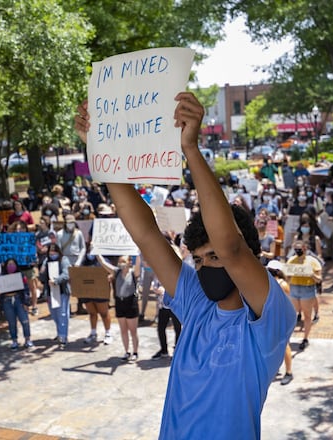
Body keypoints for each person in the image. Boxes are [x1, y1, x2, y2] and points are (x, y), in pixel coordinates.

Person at [75, 92, 295, 438]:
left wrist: (190, 149)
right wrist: (100, 154)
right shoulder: (196, 303)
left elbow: (233, 248)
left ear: (248, 259)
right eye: (200, 258)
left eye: (215, 256)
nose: (206, 266)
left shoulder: (269, 318)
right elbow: (147, 235)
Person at [97, 254, 141, 361]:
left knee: (133, 331)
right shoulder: (116, 272)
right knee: (123, 330)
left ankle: (135, 352)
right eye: (120, 261)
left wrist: (139, 253)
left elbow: (138, 265)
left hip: (131, 303)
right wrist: (97, 252)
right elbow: (103, 263)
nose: (121, 264)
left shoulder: (133, 273)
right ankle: (126, 352)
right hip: (119, 303)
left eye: (124, 261)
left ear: (129, 262)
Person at [287, 240, 322, 350]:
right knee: (292, 314)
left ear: (305, 249)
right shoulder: (291, 260)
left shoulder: (313, 261)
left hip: (307, 289)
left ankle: (305, 338)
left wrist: (312, 274)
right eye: (295, 249)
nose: (297, 251)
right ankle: (288, 337)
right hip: (294, 288)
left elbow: (319, 279)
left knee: (307, 315)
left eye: (299, 249)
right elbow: (287, 277)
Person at [38, 243, 71, 348]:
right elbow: (42, 276)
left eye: (54, 253)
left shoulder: (64, 260)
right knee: (54, 314)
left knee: (62, 314)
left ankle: (63, 336)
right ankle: (59, 332)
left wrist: (56, 280)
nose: (52, 255)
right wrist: (41, 272)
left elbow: (66, 274)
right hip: (50, 292)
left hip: (61, 291)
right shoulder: (46, 261)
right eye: (51, 253)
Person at [267, 260, 294, 385]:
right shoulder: (271, 282)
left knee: (284, 346)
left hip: (280, 319)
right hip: (271, 318)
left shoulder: (282, 284)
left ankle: (289, 372)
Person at [0, 258, 33, 350]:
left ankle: (27, 339)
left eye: (12, 264)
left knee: (24, 320)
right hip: (7, 301)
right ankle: (14, 341)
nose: (11, 266)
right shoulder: (1, 277)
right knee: (11, 322)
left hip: (19, 299)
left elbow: (26, 289)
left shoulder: (21, 276)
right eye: (9, 264)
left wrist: (26, 302)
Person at [151, 278, 181, 360]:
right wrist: (156, 289)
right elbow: (155, 285)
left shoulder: (177, 272)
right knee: (160, 328)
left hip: (176, 306)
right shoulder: (159, 274)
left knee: (178, 329)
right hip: (163, 305)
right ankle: (164, 350)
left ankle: (177, 352)